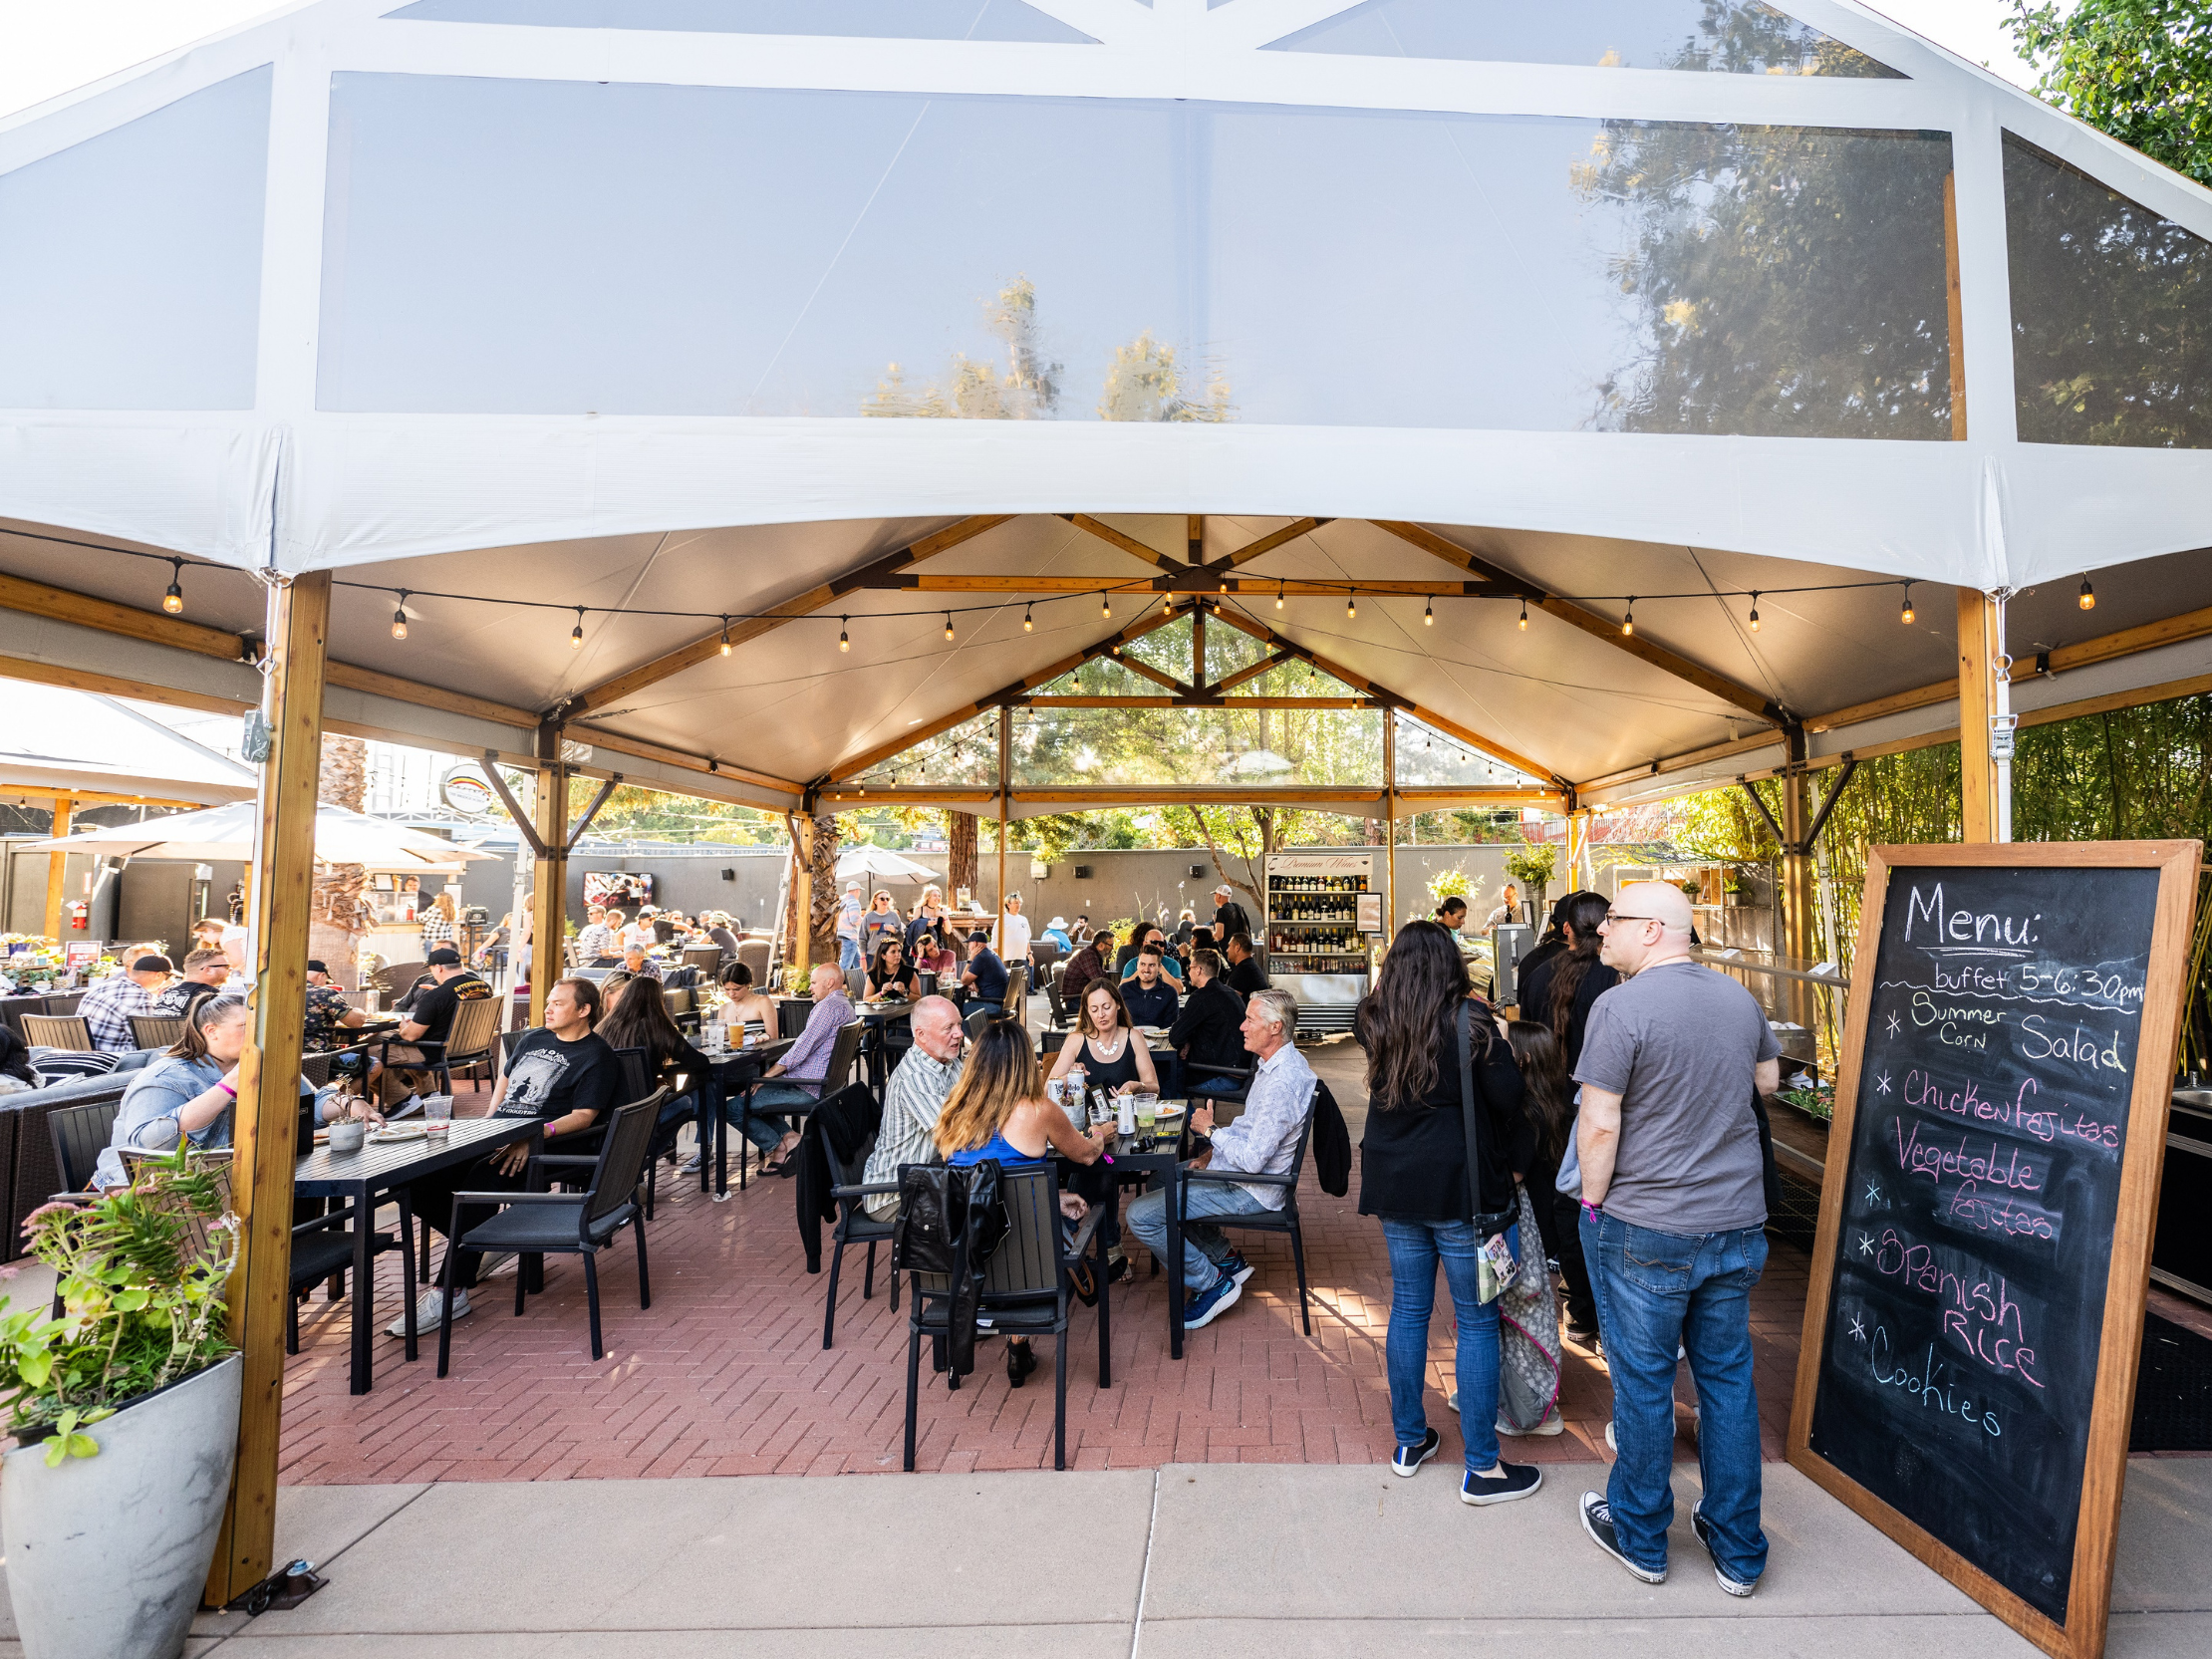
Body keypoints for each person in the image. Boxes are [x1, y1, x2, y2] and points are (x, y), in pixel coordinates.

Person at [1573, 881, 1779, 1596]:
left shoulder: (1619, 1007)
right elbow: (1768, 1078)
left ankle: (1640, 1533)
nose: (1601, 932)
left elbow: (1599, 1121)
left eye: (1613, 922)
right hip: (1735, 1223)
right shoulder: (1739, 998)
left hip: (1646, 1224)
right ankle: (1737, 1546)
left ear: (1655, 929)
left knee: (1643, 1381)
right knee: (1727, 1381)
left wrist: (1593, 1204)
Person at [1355, 920, 1542, 1507]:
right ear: (1449, 963)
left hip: (1395, 1184)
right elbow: (1510, 1100)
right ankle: (1483, 1465)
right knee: (1477, 1320)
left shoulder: (1373, 1018)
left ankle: (1410, 1440)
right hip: (1462, 1190)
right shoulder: (1470, 1022)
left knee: (1409, 1309)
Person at [396, 976, 622, 1333]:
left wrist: (533, 1135)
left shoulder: (597, 1055)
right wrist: (487, 1123)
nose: (548, 1008)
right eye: (549, 1001)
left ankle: (450, 1292)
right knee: (415, 1180)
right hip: (495, 1134)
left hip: (541, 1146)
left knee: (478, 1187)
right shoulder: (533, 1038)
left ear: (584, 1010)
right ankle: (488, 1238)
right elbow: (504, 1079)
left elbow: (585, 1116)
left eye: (559, 1003)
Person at [934, 1019, 1112, 1387]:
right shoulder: (1037, 1109)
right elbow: (1088, 1156)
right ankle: (1018, 1339)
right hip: (1029, 1262)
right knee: (1083, 1203)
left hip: (966, 1258)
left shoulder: (952, 1109)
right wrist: (1100, 1134)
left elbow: (978, 1186)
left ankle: (1014, 1340)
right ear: (1023, 1064)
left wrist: (1049, 1195)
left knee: (1048, 1211)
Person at [1125, 986, 1315, 1329]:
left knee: (1140, 1215)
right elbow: (1249, 1127)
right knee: (1159, 1179)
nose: (1241, 1026)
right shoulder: (1275, 1062)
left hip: (1254, 1188)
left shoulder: (1282, 1083)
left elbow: (1255, 1160)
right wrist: (1213, 1151)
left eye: (1249, 1019)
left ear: (1275, 1028)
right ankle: (1224, 1257)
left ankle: (1211, 1282)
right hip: (1242, 1174)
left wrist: (1211, 1131)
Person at [92, 996, 369, 1188]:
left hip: (225, 1180)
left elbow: (309, 1103)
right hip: (149, 1189)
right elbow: (149, 1145)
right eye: (248, 1028)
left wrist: (348, 1103)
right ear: (211, 1031)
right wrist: (229, 1085)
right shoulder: (167, 1076)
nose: (262, 1034)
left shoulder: (266, 1064)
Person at [1514, 890, 1616, 1343]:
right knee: (1599, 1206)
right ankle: (1604, 1311)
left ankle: (1577, 1306)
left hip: (1551, 1099)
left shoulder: (1539, 972)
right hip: (1604, 1104)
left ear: (1567, 928)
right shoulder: (1618, 978)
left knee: (1565, 1200)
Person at [740, 962, 853, 1176]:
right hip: (824, 1085)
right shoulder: (845, 1005)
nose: (810, 988)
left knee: (735, 1107)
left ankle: (785, 1144)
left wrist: (765, 1077)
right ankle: (788, 1140)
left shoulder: (827, 1007)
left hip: (809, 1088)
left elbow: (800, 1050)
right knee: (754, 1097)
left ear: (829, 983)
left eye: (813, 983)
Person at [859, 995, 965, 1221]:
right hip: (895, 1195)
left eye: (959, 1025)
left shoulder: (948, 1060)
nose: (959, 1034)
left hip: (929, 1179)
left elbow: (978, 1100)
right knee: (981, 1207)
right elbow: (958, 1135)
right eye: (949, 1028)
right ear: (921, 1035)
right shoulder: (917, 1078)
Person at [599, 976, 711, 1134]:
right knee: (685, 1100)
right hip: (645, 1111)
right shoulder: (657, 1026)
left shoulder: (603, 1027)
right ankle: (648, 1154)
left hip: (608, 1113)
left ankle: (644, 1155)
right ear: (659, 1000)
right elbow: (699, 1063)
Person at [1047, 975, 1161, 1098]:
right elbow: (1046, 1092)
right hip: (1087, 1116)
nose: (1101, 1014)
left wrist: (1138, 1086)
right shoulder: (1076, 1041)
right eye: (1094, 1010)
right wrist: (1071, 1078)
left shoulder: (1133, 1038)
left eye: (1106, 1007)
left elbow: (1154, 1087)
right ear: (1087, 1011)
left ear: (1118, 1005)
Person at [1170, 949, 1247, 1094]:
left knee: (1168, 1084)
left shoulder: (1201, 997)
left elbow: (1175, 1037)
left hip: (1222, 1076)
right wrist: (1188, 1041)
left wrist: (1185, 1041)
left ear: (1198, 970)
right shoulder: (1230, 992)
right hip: (1242, 1072)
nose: (1188, 972)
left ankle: (1190, 1116)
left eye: (1190, 968)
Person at [76, 954, 173, 1053]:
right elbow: (151, 1043)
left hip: (85, 1057)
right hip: (117, 1063)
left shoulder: (100, 988)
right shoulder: (141, 1000)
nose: (168, 982)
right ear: (159, 975)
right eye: (168, 978)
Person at [304, 960, 369, 1053]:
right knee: (375, 1063)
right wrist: (359, 1011)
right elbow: (356, 1022)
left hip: (281, 1058)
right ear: (321, 976)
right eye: (326, 981)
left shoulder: (280, 992)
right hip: (317, 1057)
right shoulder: (323, 993)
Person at [1119, 944, 1180, 1031]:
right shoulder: (1124, 990)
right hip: (1128, 1040)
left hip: (1160, 1041)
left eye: (1151, 965)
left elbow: (1170, 1027)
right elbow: (1117, 1021)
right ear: (1137, 965)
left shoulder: (1169, 993)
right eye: (1143, 964)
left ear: (1159, 967)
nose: (1146, 969)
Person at [715, 960, 776, 1042]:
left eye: (737, 989)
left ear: (748, 984)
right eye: (727, 989)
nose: (731, 994)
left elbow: (774, 1038)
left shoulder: (762, 1002)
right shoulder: (724, 1009)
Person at [156, 948, 230, 1016]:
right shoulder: (209, 995)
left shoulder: (168, 992)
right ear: (208, 970)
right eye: (226, 967)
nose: (230, 970)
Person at [1062, 928, 1113, 1005]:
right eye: (1111, 945)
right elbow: (1098, 979)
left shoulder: (1092, 953)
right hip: (1075, 1000)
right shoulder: (1088, 955)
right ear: (1101, 945)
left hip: (1079, 997)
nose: (1112, 948)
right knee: (1113, 1005)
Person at [960, 929, 1008, 1008]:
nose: (968, 947)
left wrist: (970, 960)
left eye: (969, 944)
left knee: (958, 1009)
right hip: (1001, 1001)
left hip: (992, 1004)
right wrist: (974, 981)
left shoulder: (981, 958)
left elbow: (964, 981)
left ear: (975, 943)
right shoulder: (992, 954)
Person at [865, 937, 918, 1002]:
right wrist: (881, 993)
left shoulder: (909, 972)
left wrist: (904, 992)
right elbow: (866, 999)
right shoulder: (874, 974)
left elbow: (918, 998)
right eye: (893, 952)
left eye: (899, 951)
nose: (897, 955)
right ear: (883, 956)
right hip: (880, 1011)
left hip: (904, 1011)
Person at [1224, 933, 1269, 998]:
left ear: (1237, 947)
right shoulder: (1249, 966)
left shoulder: (1243, 970)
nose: (1227, 950)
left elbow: (1231, 1000)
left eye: (1229, 946)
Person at [860, 891, 903, 959]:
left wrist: (894, 931)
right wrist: (862, 956)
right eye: (882, 899)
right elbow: (862, 938)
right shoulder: (868, 917)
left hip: (890, 956)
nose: (885, 901)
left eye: (887, 899)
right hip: (872, 955)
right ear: (875, 901)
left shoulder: (894, 916)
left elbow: (901, 938)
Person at [1209, 884, 1252, 949]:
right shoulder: (1237, 908)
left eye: (1215, 895)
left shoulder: (1220, 911)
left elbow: (1219, 936)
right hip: (1239, 948)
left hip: (1227, 949)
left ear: (1219, 896)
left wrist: (1209, 934)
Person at [419, 890, 458, 959]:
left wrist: (418, 915)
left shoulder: (433, 909)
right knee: (444, 960)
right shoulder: (452, 910)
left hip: (432, 939)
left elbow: (423, 919)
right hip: (446, 939)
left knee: (432, 960)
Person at [836, 882, 865, 972]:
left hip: (840, 935)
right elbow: (854, 919)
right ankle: (838, 984)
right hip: (849, 937)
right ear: (857, 890)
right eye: (859, 891)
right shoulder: (853, 901)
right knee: (844, 966)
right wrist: (864, 921)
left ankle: (862, 984)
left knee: (859, 965)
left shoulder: (841, 901)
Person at [998, 891, 1031, 968]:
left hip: (1022, 959)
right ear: (1008, 904)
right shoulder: (1002, 920)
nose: (1018, 905)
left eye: (1020, 903)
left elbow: (1027, 939)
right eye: (1016, 903)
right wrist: (999, 959)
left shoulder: (1024, 919)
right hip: (1007, 960)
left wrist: (1029, 954)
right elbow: (995, 940)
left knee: (1026, 980)